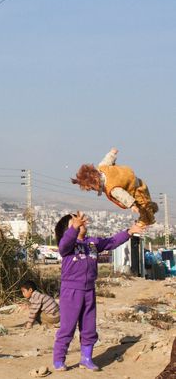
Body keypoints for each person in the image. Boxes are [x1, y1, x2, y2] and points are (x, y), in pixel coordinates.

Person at [52, 211, 145, 371]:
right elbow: (65, 243)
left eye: (81, 222)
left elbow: (111, 242)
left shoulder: (92, 243)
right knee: (67, 327)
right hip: (71, 291)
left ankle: (86, 358)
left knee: (89, 326)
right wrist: (73, 229)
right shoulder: (67, 246)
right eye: (74, 222)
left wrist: (129, 231)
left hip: (89, 291)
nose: (80, 223)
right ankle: (59, 360)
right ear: (67, 230)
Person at [72, 148, 158, 226]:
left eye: (92, 188)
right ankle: (152, 207)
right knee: (147, 202)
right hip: (138, 181)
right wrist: (112, 153)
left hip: (137, 191)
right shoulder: (102, 167)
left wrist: (132, 205)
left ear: (95, 182)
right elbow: (107, 159)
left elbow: (123, 196)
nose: (93, 190)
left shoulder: (112, 188)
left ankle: (145, 221)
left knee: (144, 208)